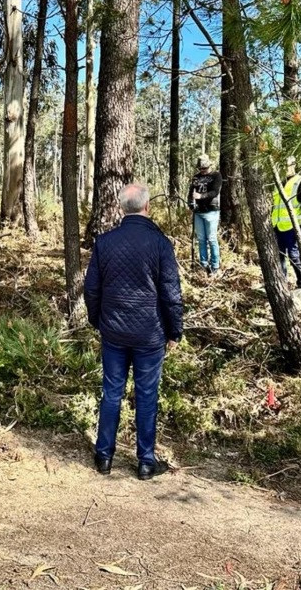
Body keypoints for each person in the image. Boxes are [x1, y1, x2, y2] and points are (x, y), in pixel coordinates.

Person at [84, 183, 183, 480]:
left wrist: (97, 321)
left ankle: (104, 457)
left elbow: (91, 288)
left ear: (121, 208)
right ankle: (145, 462)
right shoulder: (161, 244)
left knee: (111, 392)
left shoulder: (105, 242)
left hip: (114, 331)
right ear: (147, 207)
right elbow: (171, 294)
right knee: (147, 395)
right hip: (149, 334)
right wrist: (174, 331)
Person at [271, 156, 301, 288]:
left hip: (292, 227)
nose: (285, 169)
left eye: (287, 166)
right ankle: (282, 283)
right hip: (277, 226)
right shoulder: (279, 182)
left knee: (294, 256)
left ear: (294, 165)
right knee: (279, 256)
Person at [187, 154, 222, 274]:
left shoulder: (216, 176)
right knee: (201, 239)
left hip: (211, 211)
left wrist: (201, 196)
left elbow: (215, 191)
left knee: (212, 239)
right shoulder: (196, 177)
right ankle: (203, 264)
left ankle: (215, 265)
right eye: (200, 169)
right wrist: (190, 203)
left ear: (209, 166)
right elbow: (191, 191)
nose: (202, 171)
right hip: (198, 211)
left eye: (204, 168)